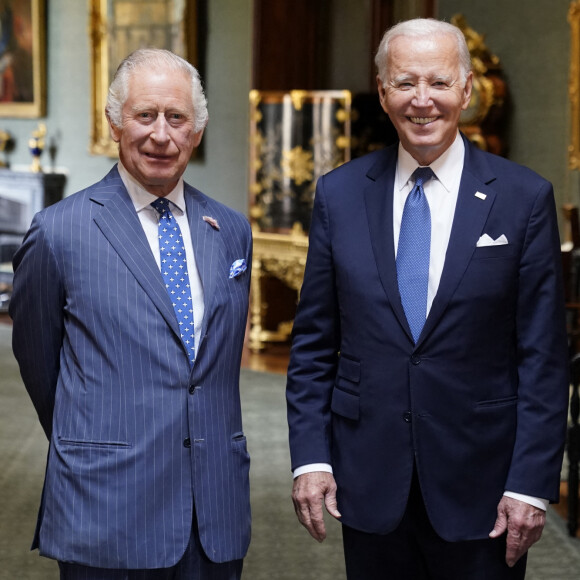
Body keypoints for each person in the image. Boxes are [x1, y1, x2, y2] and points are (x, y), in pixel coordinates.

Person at [286, 18, 569, 580]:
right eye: (405, 83)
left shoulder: (523, 197)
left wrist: (531, 485)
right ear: (382, 91)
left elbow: (543, 357)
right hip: (368, 479)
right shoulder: (339, 194)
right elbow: (315, 343)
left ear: (466, 91)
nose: (422, 101)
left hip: (483, 486)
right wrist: (311, 458)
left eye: (438, 83)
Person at [10, 48, 252, 580]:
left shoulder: (231, 230)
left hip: (213, 509)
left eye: (177, 118)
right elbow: (38, 361)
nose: (161, 135)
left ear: (198, 130)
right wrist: (96, 436)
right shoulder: (60, 233)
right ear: (115, 123)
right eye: (145, 116)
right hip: (107, 507)